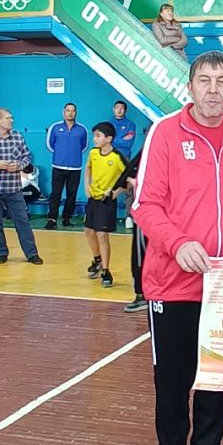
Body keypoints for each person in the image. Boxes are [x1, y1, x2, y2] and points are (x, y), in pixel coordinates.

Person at [132, 51, 223, 445]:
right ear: (189, 86)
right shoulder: (165, 132)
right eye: (204, 80)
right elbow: (145, 205)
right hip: (173, 284)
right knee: (173, 382)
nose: (213, 89)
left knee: (218, 380)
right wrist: (178, 242)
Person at [0, 108, 43, 266]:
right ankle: (1, 253)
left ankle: (32, 253)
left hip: (14, 188)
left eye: (11, 118)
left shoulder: (18, 137)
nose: (11, 120)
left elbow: (27, 156)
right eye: (8, 118)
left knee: (23, 221)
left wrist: (19, 166)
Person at [84, 121, 127, 288]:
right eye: (94, 136)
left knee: (102, 235)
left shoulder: (117, 157)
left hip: (106, 201)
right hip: (93, 198)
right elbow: (88, 168)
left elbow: (129, 178)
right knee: (89, 231)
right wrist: (86, 186)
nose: (95, 139)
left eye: (98, 136)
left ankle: (106, 271)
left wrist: (115, 192)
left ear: (108, 138)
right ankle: (97, 259)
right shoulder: (93, 153)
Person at [113, 146, 148, 312]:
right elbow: (129, 171)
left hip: (149, 213)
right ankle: (143, 293)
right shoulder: (147, 151)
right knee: (141, 254)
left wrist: (133, 182)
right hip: (150, 212)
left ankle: (144, 294)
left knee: (142, 255)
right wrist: (116, 189)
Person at [44, 103, 88, 229]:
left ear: (76, 113)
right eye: (68, 110)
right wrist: (60, 155)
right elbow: (50, 144)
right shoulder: (55, 127)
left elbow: (84, 146)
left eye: (73, 110)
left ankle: (66, 218)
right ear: (63, 112)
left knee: (72, 194)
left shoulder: (82, 129)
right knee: (55, 193)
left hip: (75, 167)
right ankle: (52, 219)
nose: (70, 113)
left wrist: (73, 155)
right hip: (58, 166)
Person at [111, 100, 137, 228]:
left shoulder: (131, 125)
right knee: (110, 186)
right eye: (117, 107)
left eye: (122, 108)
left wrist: (115, 140)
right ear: (113, 109)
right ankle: (109, 216)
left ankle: (129, 217)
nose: (119, 110)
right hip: (110, 158)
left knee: (128, 188)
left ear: (125, 110)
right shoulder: (108, 125)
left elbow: (128, 143)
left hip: (125, 158)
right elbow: (107, 142)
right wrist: (121, 139)